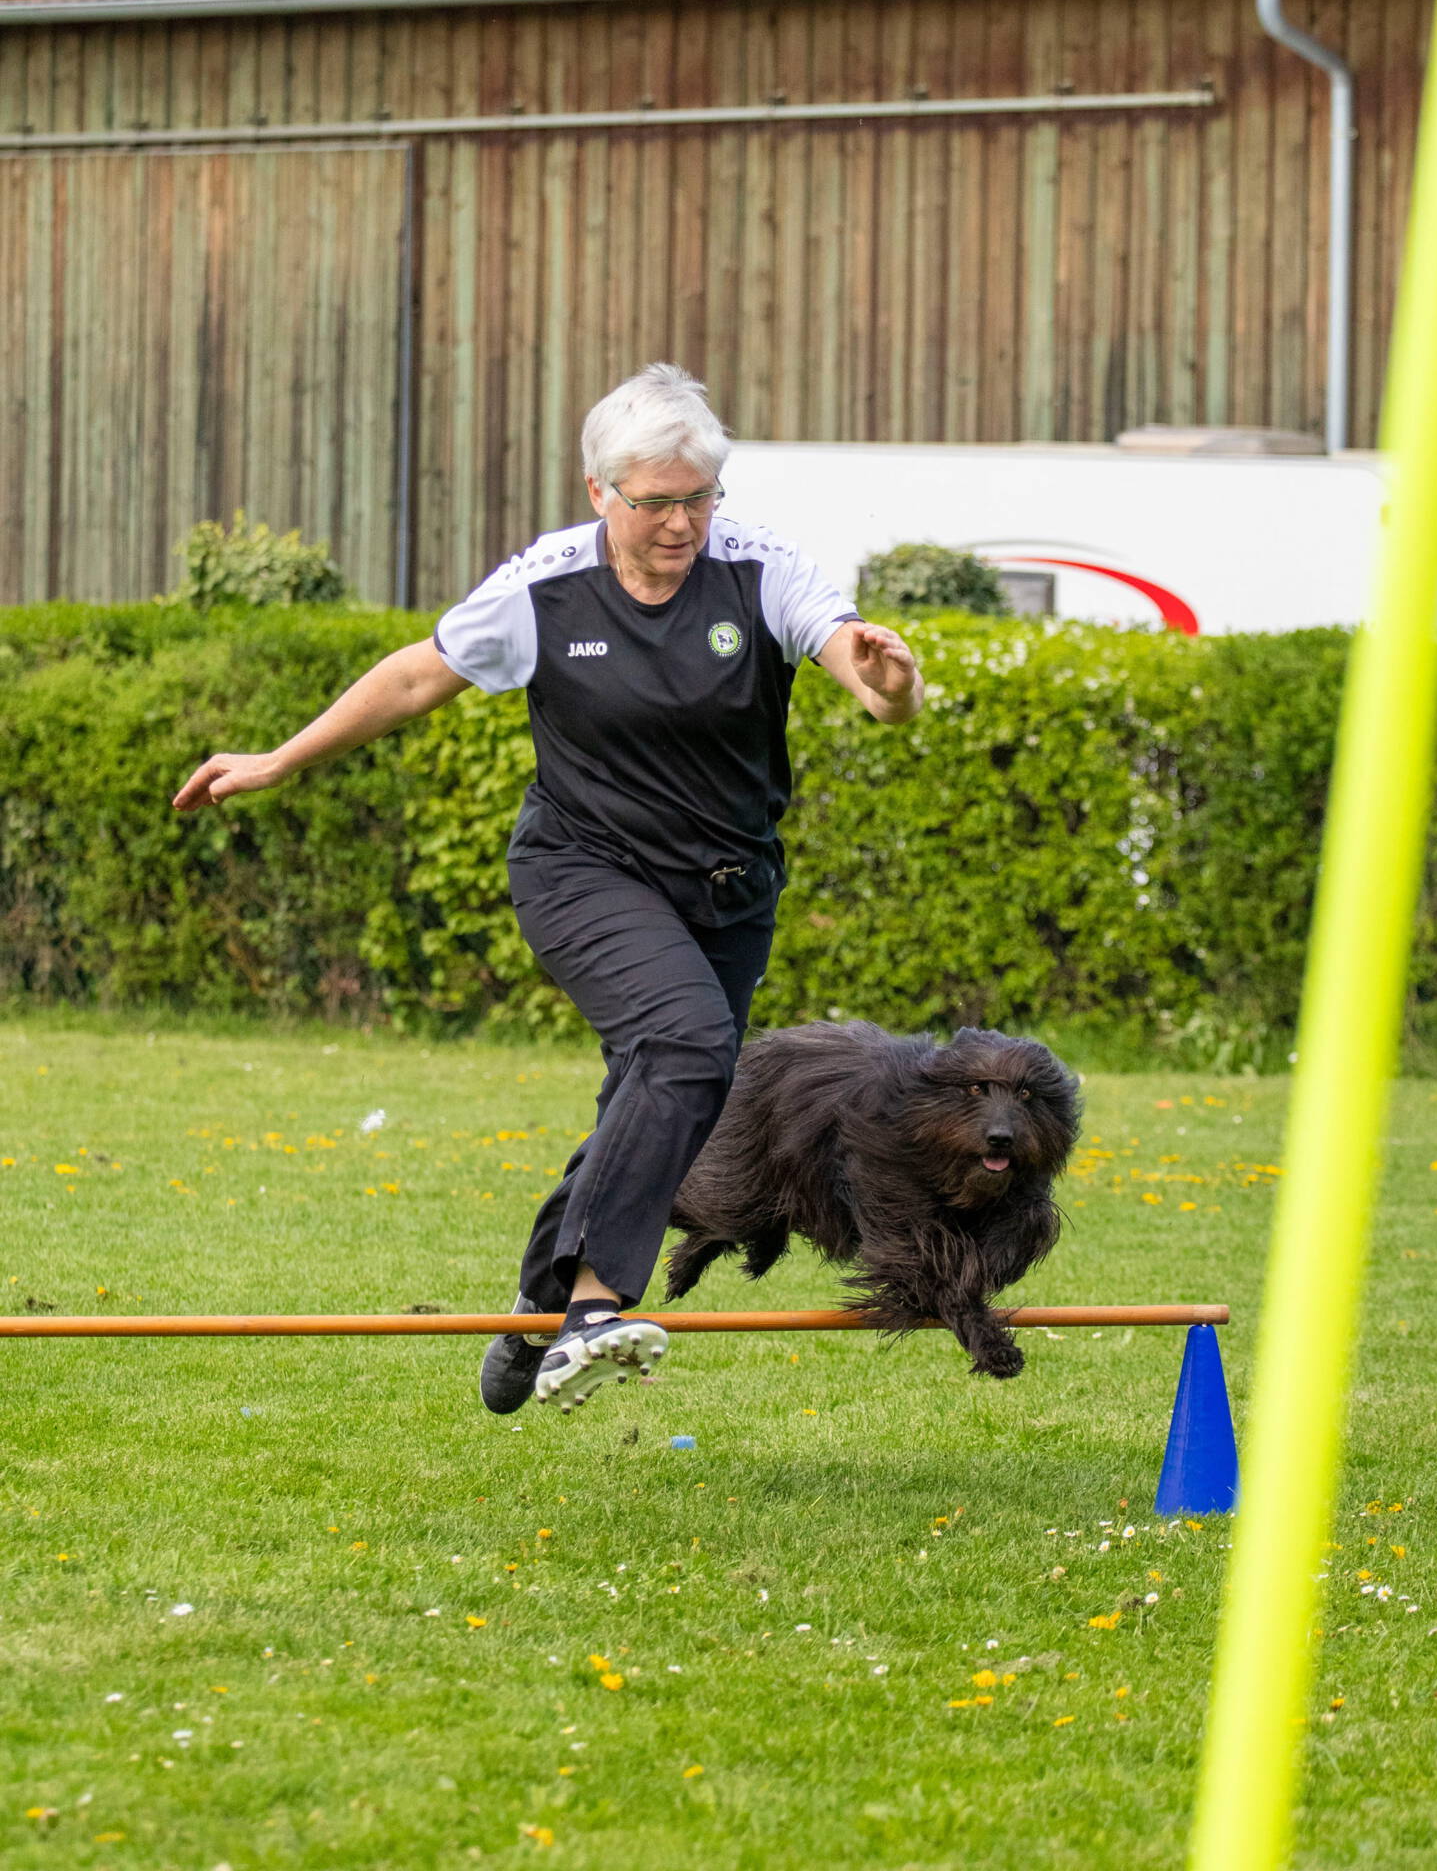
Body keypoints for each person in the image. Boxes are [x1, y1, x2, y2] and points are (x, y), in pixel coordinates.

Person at [173, 364, 923, 1416]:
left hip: (727, 887)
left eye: (698, 499)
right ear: (599, 493)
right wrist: (280, 759)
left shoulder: (761, 571)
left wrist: (889, 684)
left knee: (662, 1092)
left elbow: (855, 660)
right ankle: (592, 1308)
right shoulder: (546, 585)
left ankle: (534, 1306)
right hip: (584, 868)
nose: (680, 523)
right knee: (684, 1047)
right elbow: (417, 674)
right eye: (655, 502)